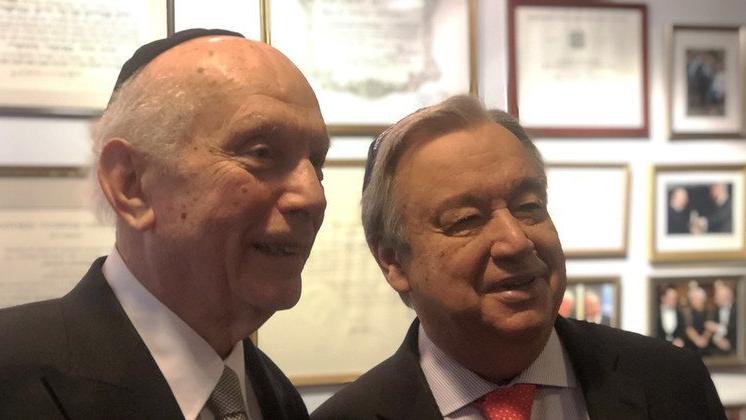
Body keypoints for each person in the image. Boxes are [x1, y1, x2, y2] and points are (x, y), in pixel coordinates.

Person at [312, 95, 725, 420]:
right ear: (393, 262)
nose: (515, 241)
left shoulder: (670, 382)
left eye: (529, 207)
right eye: (466, 219)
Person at [0, 28, 329, 419]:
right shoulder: (12, 381)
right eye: (261, 152)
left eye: (317, 163)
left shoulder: (276, 398)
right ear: (131, 184)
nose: (313, 196)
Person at [705, 280, 737, 354]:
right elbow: (709, 331)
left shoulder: (738, 310)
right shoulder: (714, 311)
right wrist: (717, 340)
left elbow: (738, 330)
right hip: (716, 350)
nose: (715, 298)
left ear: (726, 296)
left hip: (735, 350)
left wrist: (718, 328)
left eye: (717, 296)